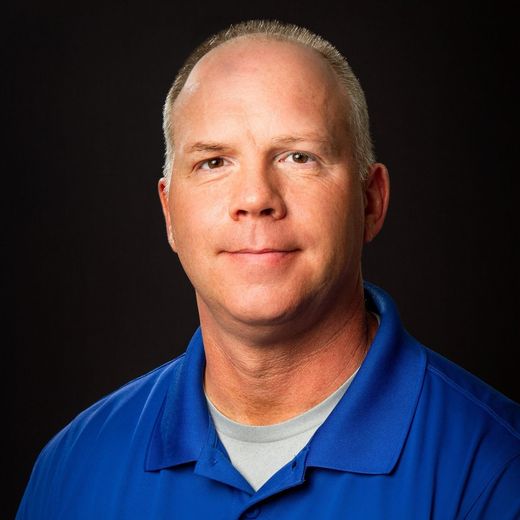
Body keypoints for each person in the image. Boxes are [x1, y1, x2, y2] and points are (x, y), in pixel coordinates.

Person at [17, 19, 519, 519]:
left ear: (371, 202)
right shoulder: (71, 471)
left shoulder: (497, 471)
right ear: (170, 214)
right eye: (214, 162)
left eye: (298, 156)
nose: (256, 198)